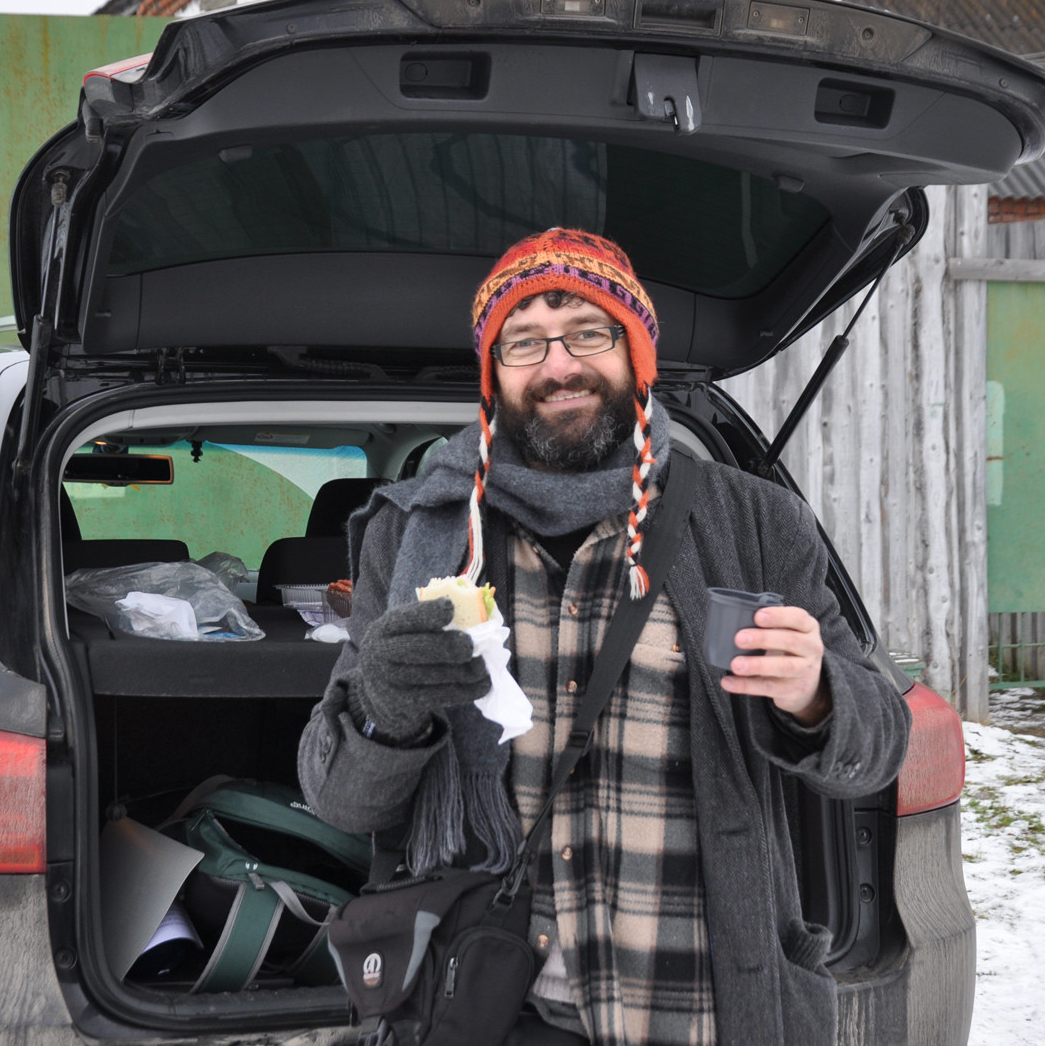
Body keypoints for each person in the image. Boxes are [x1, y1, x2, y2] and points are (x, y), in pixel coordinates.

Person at [298, 228, 910, 1046]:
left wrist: (818, 693)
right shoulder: (414, 538)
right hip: (495, 1007)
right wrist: (384, 709)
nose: (559, 364)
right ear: (494, 373)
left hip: (705, 1009)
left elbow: (881, 744)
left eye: (589, 331)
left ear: (637, 354)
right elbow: (337, 795)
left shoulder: (754, 523)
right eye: (524, 341)